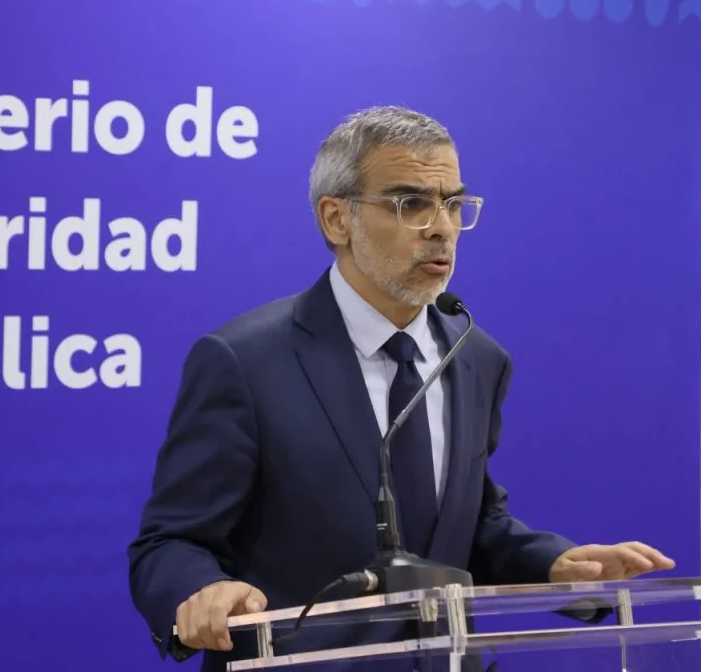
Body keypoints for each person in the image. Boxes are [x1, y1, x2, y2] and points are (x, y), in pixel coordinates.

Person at [126, 105, 674, 671]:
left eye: (453, 203)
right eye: (411, 203)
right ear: (337, 219)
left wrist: (557, 565)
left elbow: (469, 527)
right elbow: (170, 543)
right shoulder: (246, 361)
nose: (441, 227)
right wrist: (199, 593)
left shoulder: (475, 356)